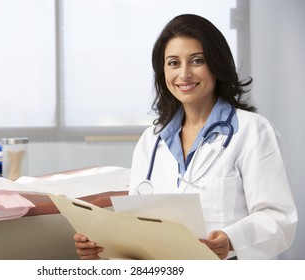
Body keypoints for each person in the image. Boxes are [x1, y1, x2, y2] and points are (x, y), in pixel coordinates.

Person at [73, 14, 298, 260]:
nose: (184, 74)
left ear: (216, 64)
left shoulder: (252, 131)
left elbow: (278, 218)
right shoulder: (152, 140)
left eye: (197, 61)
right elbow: (135, 227)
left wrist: (231, 240)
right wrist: (101, 250)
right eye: (173, 63)